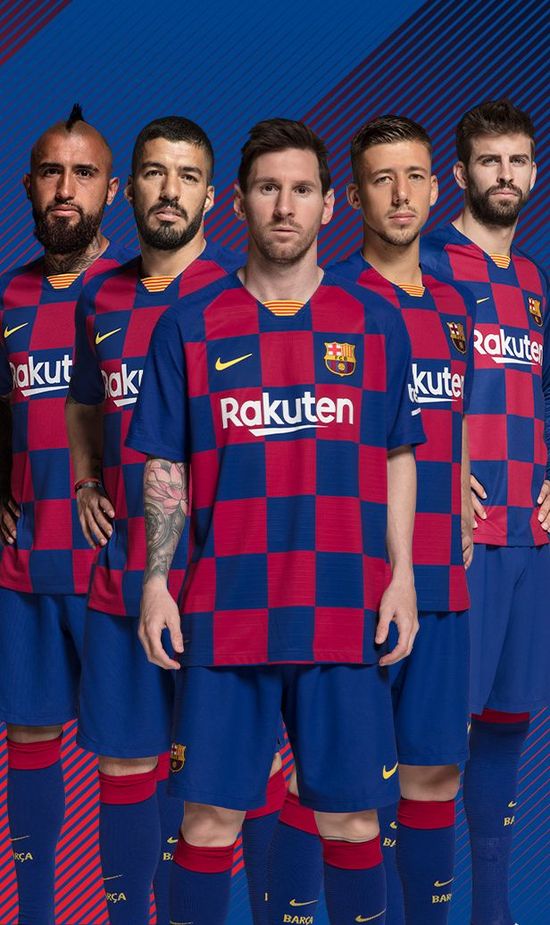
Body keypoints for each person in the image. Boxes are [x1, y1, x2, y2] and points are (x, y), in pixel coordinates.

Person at [127, 117, 425, 925]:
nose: (284, 207)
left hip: (345, 610)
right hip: (226, 612)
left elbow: (399, 452)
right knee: (206, 823)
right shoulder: (188, 324)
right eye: (268, 189)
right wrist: (156, 581)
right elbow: (165, 464)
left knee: (354, 821)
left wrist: (402, 575)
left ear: (329, 203)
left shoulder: (375, 323)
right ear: (238, 202)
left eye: (301, 190)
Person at [66, 115, 285, 925]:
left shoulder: (243, 294)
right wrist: (86, 478)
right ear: (130, 187)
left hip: (227, 583)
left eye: (187, 176)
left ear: (212, 194)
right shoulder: (100, 295)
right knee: (125, 769)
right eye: (155, 173)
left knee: (236, 780)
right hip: (127, 574)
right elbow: (81, 403)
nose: (169, 190)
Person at [328, 115, 475, 925]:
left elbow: (452, 416)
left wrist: (463, 502)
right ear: (354, 196)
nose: (400, 194)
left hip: (441, 575)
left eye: (414, 175)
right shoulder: (334, 298)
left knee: (434, 774)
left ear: (435, 185)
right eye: (382, 178)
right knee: (343, 785)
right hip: (357, 579)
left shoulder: (454, 301)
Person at [421, 98, 550, 925]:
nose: (505, 175)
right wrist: (438, 472)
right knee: (433, 740)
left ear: (533, 172)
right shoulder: (431, 262)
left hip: (530, 539)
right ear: (462, 172)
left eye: (518, 160)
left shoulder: (534, 279)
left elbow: (536, 393)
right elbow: (401, 384)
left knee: (508, 721)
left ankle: (494, 912)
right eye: (490, 161)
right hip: (460, 540)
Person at [0, 104, 129, 925]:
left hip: (117, 571)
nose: (65, 188)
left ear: (112, 191)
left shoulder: (136, 293)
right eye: (52, 171)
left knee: (130, 757)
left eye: (84, 173)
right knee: (29, 739)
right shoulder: (8, 296)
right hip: (26, 566)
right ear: (28, 184)